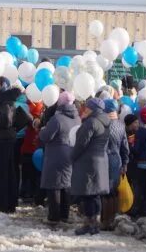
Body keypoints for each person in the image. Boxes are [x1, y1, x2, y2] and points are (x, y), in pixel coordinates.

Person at [0, 78, 31, 214]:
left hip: (3, 141)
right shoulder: (10, 99)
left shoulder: (2, 100)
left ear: (1, 86)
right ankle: (10, 204)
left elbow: (6, 120)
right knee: (10, 173)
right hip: (8, 138)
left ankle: (2, 204)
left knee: (2, 173)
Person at [70, 97, 111, 235]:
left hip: (88, 162)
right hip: (101, 160)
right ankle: (95, 224)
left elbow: (81, 143)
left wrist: (72, 157)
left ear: (91, 108)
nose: (85, 109)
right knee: (95, 194)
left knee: (88, 194)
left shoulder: (91, 122)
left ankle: (88, 224)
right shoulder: (106, 121)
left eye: (87, 107)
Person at [38, 91, 80, 224]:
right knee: (66, 184)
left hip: (56, 154)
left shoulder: (57, 119)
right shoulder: (77, 118)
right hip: (71, 153)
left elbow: (46, 136)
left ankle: (54, 217)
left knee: (54, 185)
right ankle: (64, 215)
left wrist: (42, 130)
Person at [101, 99, 130, 231]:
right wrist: (125, 163)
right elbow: (125, 148)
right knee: (114, 192)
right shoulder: (121, 125)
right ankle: (112, 219)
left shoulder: (103, 125)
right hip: (117, 161)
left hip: (104, 161)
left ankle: (104, 220)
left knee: (104, 192)